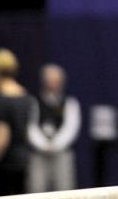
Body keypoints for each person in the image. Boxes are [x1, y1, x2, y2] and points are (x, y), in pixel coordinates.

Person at [27, 63, 81, 192]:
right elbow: (30, 127)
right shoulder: (33, 101)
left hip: (61, 153)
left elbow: (71, 128)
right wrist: (43, 145)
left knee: (65, 190)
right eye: (50, 81)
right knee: (36, 190)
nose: (53, 84)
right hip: (38, 153)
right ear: (43, 81)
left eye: (56, 81)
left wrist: (56, 145)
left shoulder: (69, 102)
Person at [0, 48, 34, 195]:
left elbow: (1, 138)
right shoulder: (26, 96)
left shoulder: (0, 99)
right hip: (24, 161)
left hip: (5, 165)